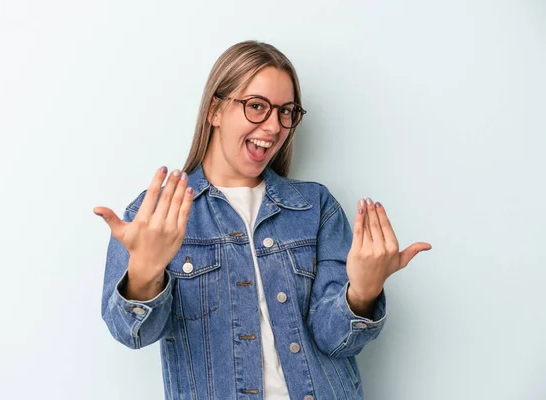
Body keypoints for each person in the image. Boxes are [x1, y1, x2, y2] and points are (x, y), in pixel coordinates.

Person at [94, 40, 432, 400]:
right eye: (256, 106)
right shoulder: (155, 216)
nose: (273, 126)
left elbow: (336, 341)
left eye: (286, 111)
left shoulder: (315, 207)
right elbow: (131, 333)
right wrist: (144, 274)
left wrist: (363, 293)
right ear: (215, 110)